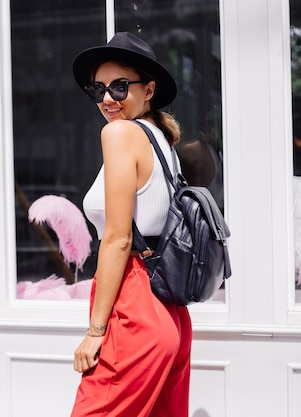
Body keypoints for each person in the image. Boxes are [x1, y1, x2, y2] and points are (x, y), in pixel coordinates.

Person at [70, 32, 192, 417]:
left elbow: (119, 240)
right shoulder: (161, 141)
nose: (107, 98)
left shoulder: (120, 133)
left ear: (149, 89)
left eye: (120, 86)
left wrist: (95, 333)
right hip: (169, 313)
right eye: (98, 89)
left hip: (134, 306)